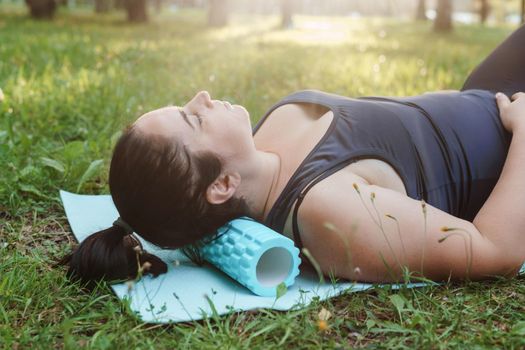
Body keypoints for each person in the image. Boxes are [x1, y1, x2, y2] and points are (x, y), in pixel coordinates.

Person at [62, 25, 525, 286]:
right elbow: (496, 251)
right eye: (193, 119)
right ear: (222, 185)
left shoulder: (262, 137)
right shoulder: (330, 215)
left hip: (486, 97)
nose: (202, 96)